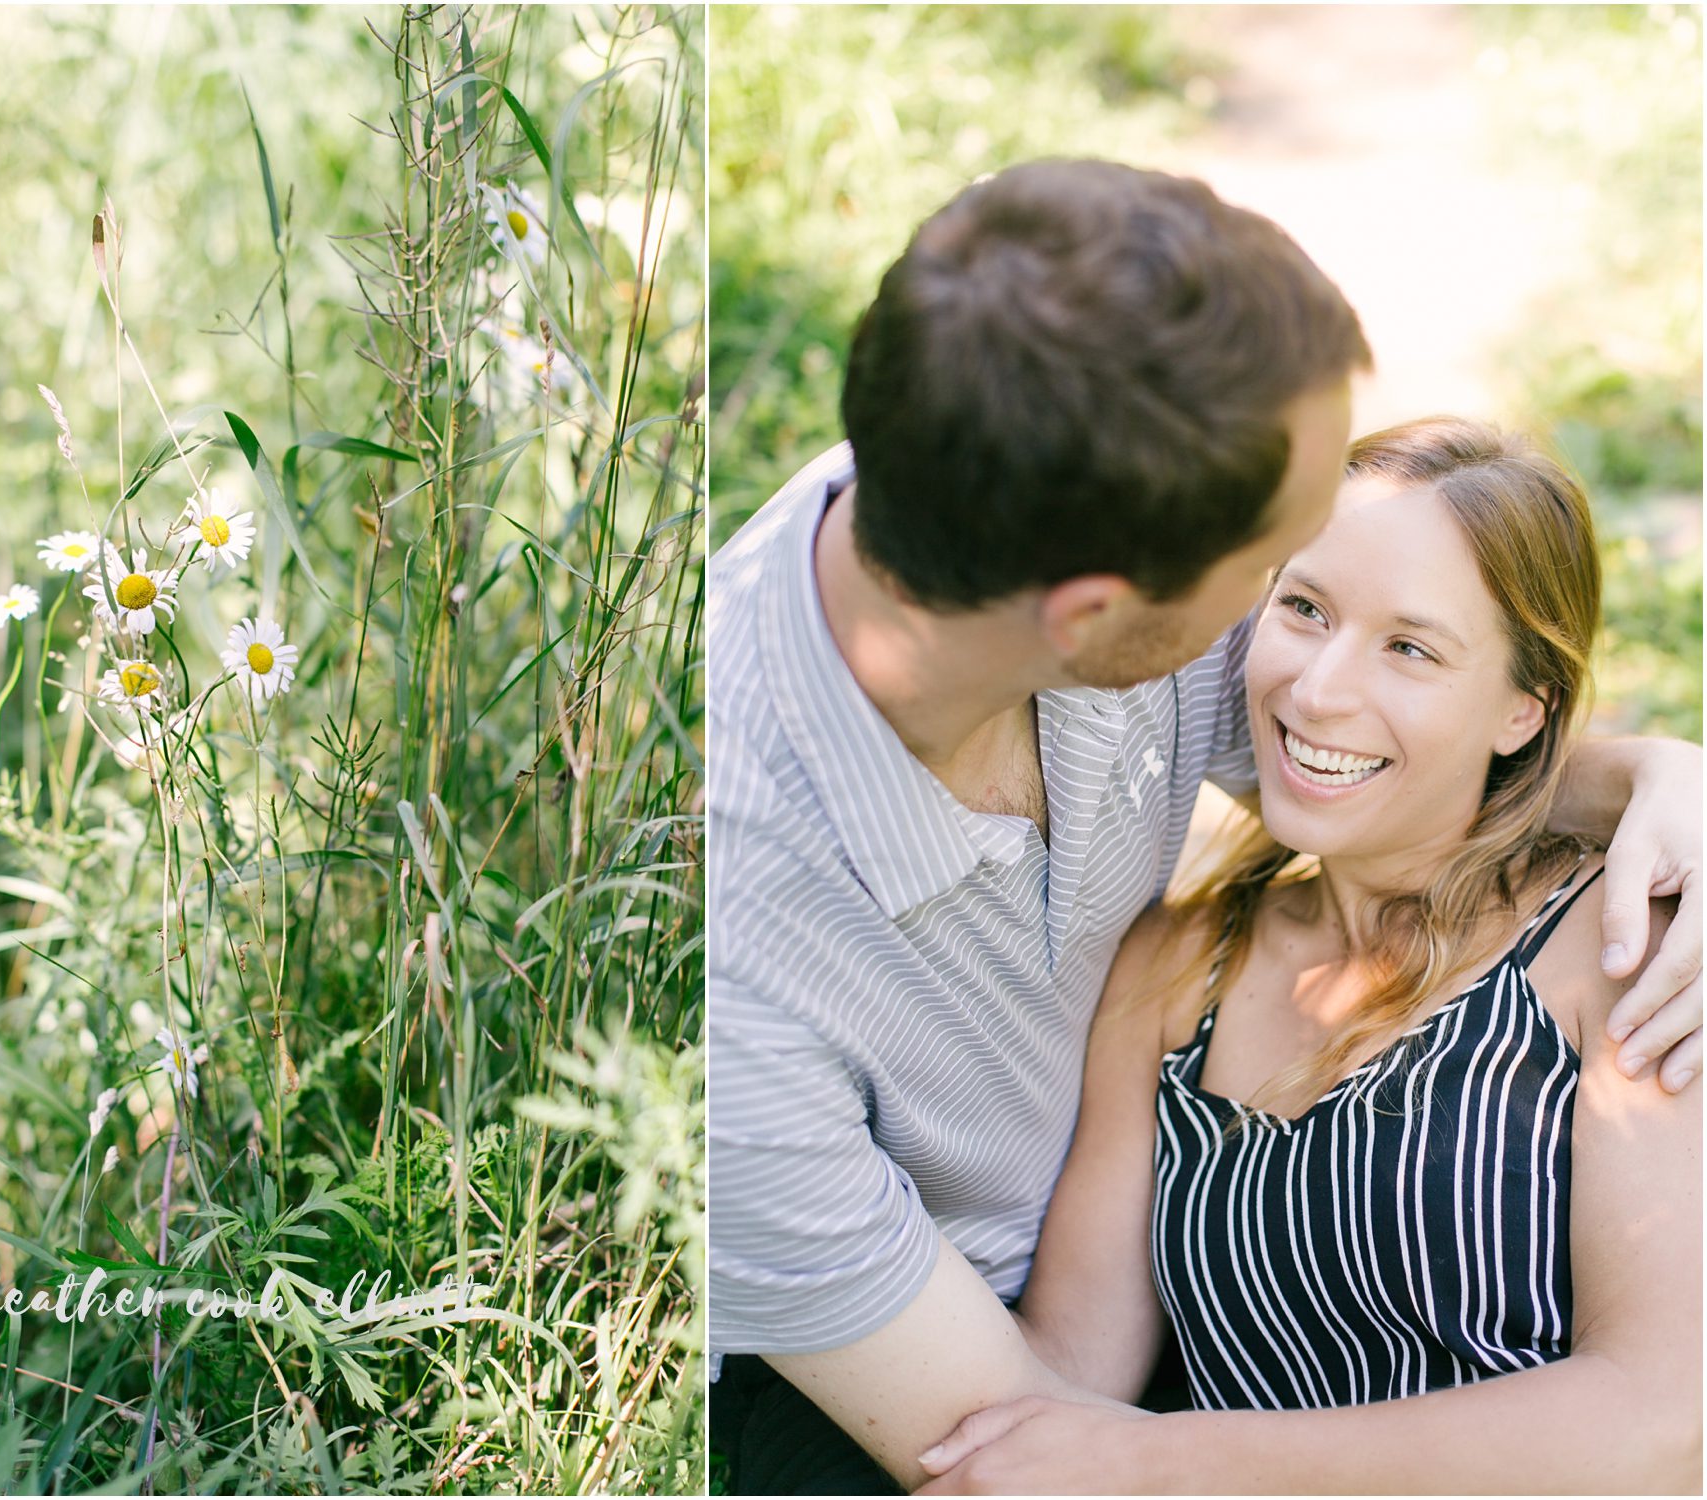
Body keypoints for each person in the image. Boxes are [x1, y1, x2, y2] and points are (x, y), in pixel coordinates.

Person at [706, 158, 1704, 1494]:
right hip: (902, 1349)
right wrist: (1146, 1457)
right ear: (1092, 618)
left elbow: (1660, 1416)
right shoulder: (732, 956)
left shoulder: (1049, 479)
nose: (1299, 673)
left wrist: (1662, 781)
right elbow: (1016, 1435)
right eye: (1281, 587)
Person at [917, 419, 1700, 1493]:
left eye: (1410, 648)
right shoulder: (1174, 969)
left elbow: (1661, 1423)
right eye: (1304, 609)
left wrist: (1157, 1461)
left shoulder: (1617, 950)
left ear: (1524, 710)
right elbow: (1074, 1370)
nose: (1319, 689)